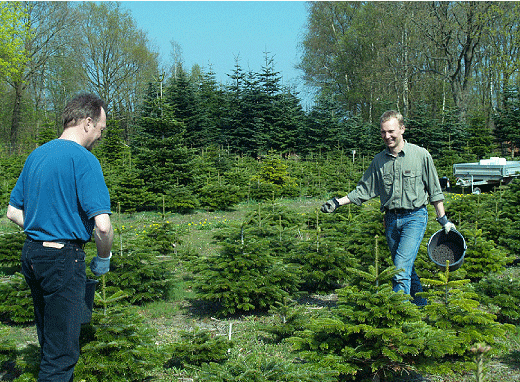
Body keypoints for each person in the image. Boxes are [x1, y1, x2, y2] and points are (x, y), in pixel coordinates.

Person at [6, 93, 114, 382]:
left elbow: (13, 212)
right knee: (62, 355)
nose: (100, 137)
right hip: (62, 260)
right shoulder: (84, 160)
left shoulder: (36, 155)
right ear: (88, 123)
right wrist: (104, 259)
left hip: (32, 256)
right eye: (101, 129)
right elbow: (102, 227)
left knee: (49, 339)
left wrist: (41, 228)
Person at [321, 110, 455, 306]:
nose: (387, 136)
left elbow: (435, 190)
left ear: (402, 129)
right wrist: (337, 202)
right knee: (404, 267)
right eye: (383, 132)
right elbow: (364, 189)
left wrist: (443, 219)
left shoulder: (420, 156)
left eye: (391, 131)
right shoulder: (379, 161)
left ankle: (398, 314)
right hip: (391, 220)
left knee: (400, 268)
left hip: (415, 217)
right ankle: (420, 305)